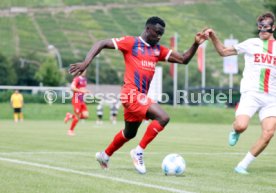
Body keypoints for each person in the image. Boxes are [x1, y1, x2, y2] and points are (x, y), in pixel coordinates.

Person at [70, 16, 207, 174]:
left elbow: (183, 59)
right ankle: (139, 151)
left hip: (138, 97)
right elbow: (101, 43)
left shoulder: (158, 50)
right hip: (130, 94)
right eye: (157, 32)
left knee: (130, 133)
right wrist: (86, 62)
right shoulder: (131, 43)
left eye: (161, 33)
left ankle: (104, 155)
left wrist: (196, 43)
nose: (159, 36)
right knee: (163, 117)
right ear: (148, 29)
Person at [204, 12, 276, 174]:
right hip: (251, 94)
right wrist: (213, 36)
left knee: (268, 133)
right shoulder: (252, 43)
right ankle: (236, 131)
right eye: (260, 26)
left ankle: (242, 165)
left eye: (266, 27)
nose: (262, 29)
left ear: (273, 27)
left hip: (272, 98)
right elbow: (223, 52)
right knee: (241, 125)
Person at [64, 70, 90, 136]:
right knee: (77, 116)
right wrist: (80, 91)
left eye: (85, 70)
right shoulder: (77, 79)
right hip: (76, 99)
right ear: (80, 71)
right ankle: (70, 131)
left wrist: (86, 91)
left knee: (86, 115)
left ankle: (70, 115)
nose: (85, 71)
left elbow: (82, 89)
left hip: (81, 100)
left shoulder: (84, 80)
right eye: (83, 70)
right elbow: (72, 87)